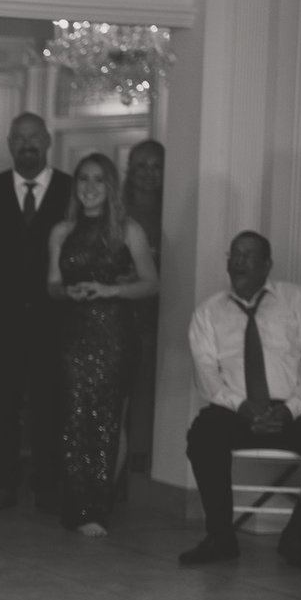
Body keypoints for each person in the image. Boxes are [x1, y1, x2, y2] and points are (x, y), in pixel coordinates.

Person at [180, 231, 301, 570]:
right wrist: (242, 406)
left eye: (248, 255)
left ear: (267, 264)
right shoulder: (207, 313)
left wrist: (290, 408)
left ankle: (297, 535)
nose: (238, 261)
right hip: (235, 409)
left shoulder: (297, 301)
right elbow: (206, 375)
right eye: (234, 253)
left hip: (292, 408)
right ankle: (221, 536)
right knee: (202, 434)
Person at [47, 153, 157, 536]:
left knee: (109, 417)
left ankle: (99, 503)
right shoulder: (62, 231)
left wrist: (109, 289)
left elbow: (150, 282)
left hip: (115, 334)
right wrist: (69, 291)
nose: (89, 187)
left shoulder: (128, 230)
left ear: (110, 186)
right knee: (75, 414)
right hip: (74, 334)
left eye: (97, 180)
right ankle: (77, 499)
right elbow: (52, 284)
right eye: (82, 180)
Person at [0, 112, 72, 513]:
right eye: (20, 138)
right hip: (2, 317)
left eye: (35, 137)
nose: (28, 144)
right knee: (4, 404)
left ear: (47, 141)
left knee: (50, 403)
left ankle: (47, 483)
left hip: (54, 320)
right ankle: (3, 483)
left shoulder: (69, 190)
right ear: (10, 144)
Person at [124, 139, 165, 475]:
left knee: (153, 393)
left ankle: (146, 458)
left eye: (156, 167)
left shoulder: (173, 210)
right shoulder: (118, 210)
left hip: (161, 316)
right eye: (142, 166)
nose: (149, 174)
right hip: (121, 313)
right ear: (129, 170)